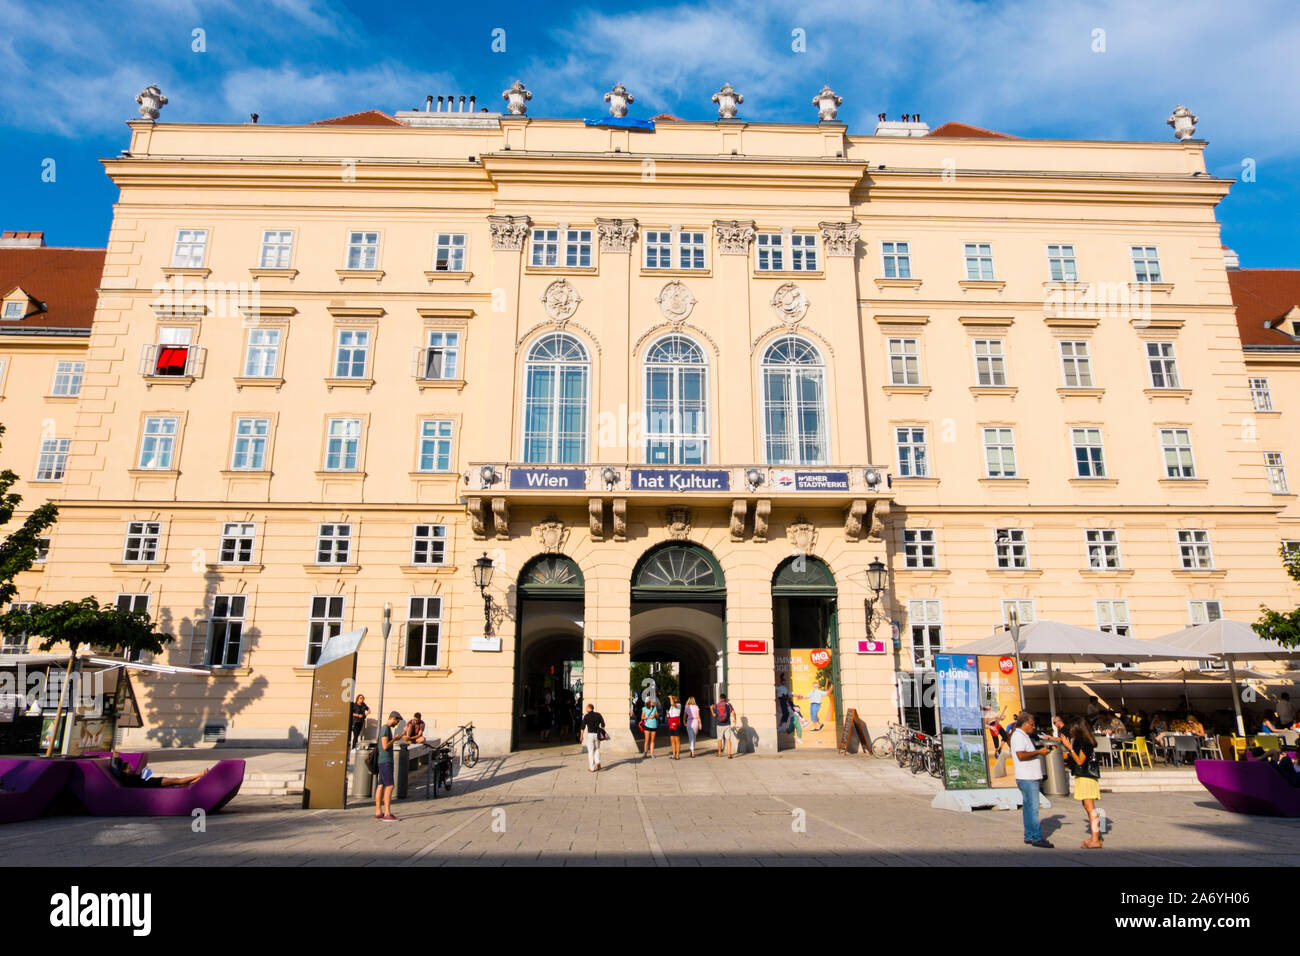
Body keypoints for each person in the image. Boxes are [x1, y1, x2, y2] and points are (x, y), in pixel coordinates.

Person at [1010, 712, 1053, 848]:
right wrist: (1039, 752)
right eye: (1032, 724)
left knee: (1028, 808)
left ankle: (1029, 835)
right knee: (1033, 808)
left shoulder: (1024, 736)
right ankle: (1035, 837)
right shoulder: (1018, 736)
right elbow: (1021, 755)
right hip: (1027, 777)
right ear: (1025, 723)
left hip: (1029, 776)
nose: (1034, 727)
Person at [1059, 718, 1103, 849]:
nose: (1070, 730)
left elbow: (1079, 761)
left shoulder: (1085, 742)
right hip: (1083, 777)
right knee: (1087, 807)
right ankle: (1095, 837)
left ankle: (1095, 839)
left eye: (1072, 727)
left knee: (1090, 808)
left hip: (1087, 778)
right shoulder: (1081, 740)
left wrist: (1069, 748)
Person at [375, 711, 404, 822]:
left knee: (381, 785)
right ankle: (387, 813)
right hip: (386, 761)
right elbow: (385, 745)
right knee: (390, 786)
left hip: (382, 761)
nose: (396, 723)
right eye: (397, 721)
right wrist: (395, 739)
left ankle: (378, 811)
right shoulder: (386, 729)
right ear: (393, 718)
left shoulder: (385, 728)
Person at [111, 758, 210, 788]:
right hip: (154, 783)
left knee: (179, 783)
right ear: (124, 770)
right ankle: (200, 775)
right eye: (129, 768)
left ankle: (200, 778)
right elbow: (140, 781)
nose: (131, 768)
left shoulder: (127, 777)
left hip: (153, 782)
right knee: (178, 781)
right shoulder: (128, 778)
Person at [578, 703, 605, 772]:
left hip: (590, 735)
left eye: (586, 708)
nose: (585, 709)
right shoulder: (598, 715)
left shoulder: (586, 716)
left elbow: (582, 727)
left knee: (590, 751)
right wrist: (602, 731)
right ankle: (598, 762)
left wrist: (581, 736)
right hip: (597, 734)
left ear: (589, 708)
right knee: (597, 749)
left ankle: (592, 768)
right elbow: (603, 724)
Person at [713, 694, 737, 758]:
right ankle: (729, 754)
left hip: (719, 724)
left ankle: (719, 753)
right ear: (725, 698)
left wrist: (712, 711)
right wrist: (735, 719)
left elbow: (714, 715)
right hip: (727, 724)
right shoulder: (728, 705)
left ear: (720, 698)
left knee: (719, 739)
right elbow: (733, 712)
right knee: (728, 739)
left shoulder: (716, 705)